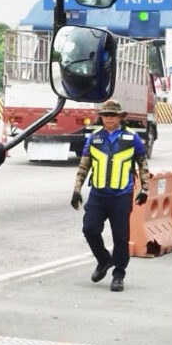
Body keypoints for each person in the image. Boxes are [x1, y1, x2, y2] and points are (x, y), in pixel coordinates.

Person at [71, 100, 149, 292]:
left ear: (121, 117)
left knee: (120, 237)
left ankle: (118, 275)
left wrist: (145, 188)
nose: (109, 119)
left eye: (113, 115)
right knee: (89, 229)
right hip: (98, 195)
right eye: (106, 115)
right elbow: (84, 166)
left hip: (122, 195)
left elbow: (142, 163)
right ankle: (104, 260)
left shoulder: (132, 139)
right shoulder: (94, 138)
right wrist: (76, 190)